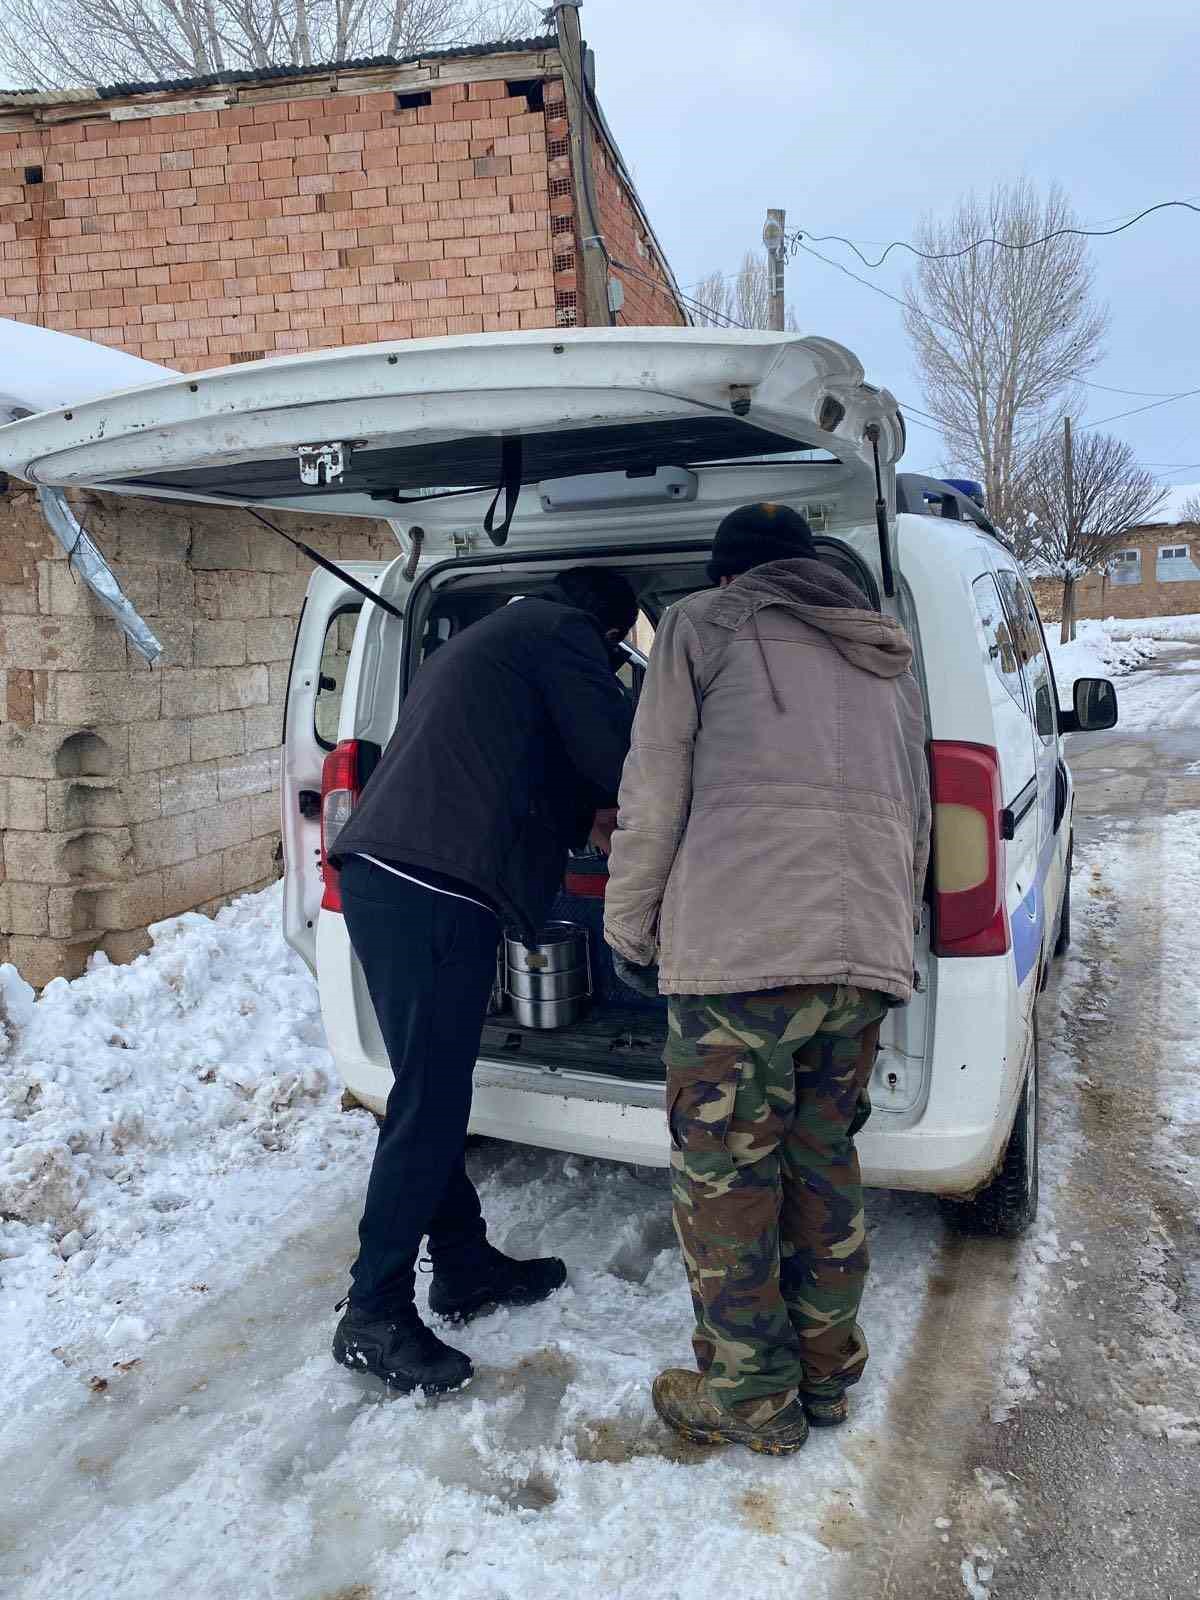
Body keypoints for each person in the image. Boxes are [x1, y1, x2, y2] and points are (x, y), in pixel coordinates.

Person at [604, 503, 930, 1456]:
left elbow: (653, 789)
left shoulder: (700, 626)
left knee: (726, 1174)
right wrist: (894, 939)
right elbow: (915, 815)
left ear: (730, 574)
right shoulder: (887, 657)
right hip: (861, 959)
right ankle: (825, 1377)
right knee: (822, 1159)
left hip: (740, 960)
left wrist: (630, 927)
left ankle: (750, 1396)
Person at [329, 566, 637, 1395]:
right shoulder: (564, 633)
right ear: (609, 631)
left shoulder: (489, 638)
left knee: (426, 1093)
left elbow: (513, 754)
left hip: (388, 878)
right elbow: (617, 759)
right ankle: (374, 1312)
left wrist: (579, 812)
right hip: (429, 888)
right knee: (429, 1104)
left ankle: (462, 1265)